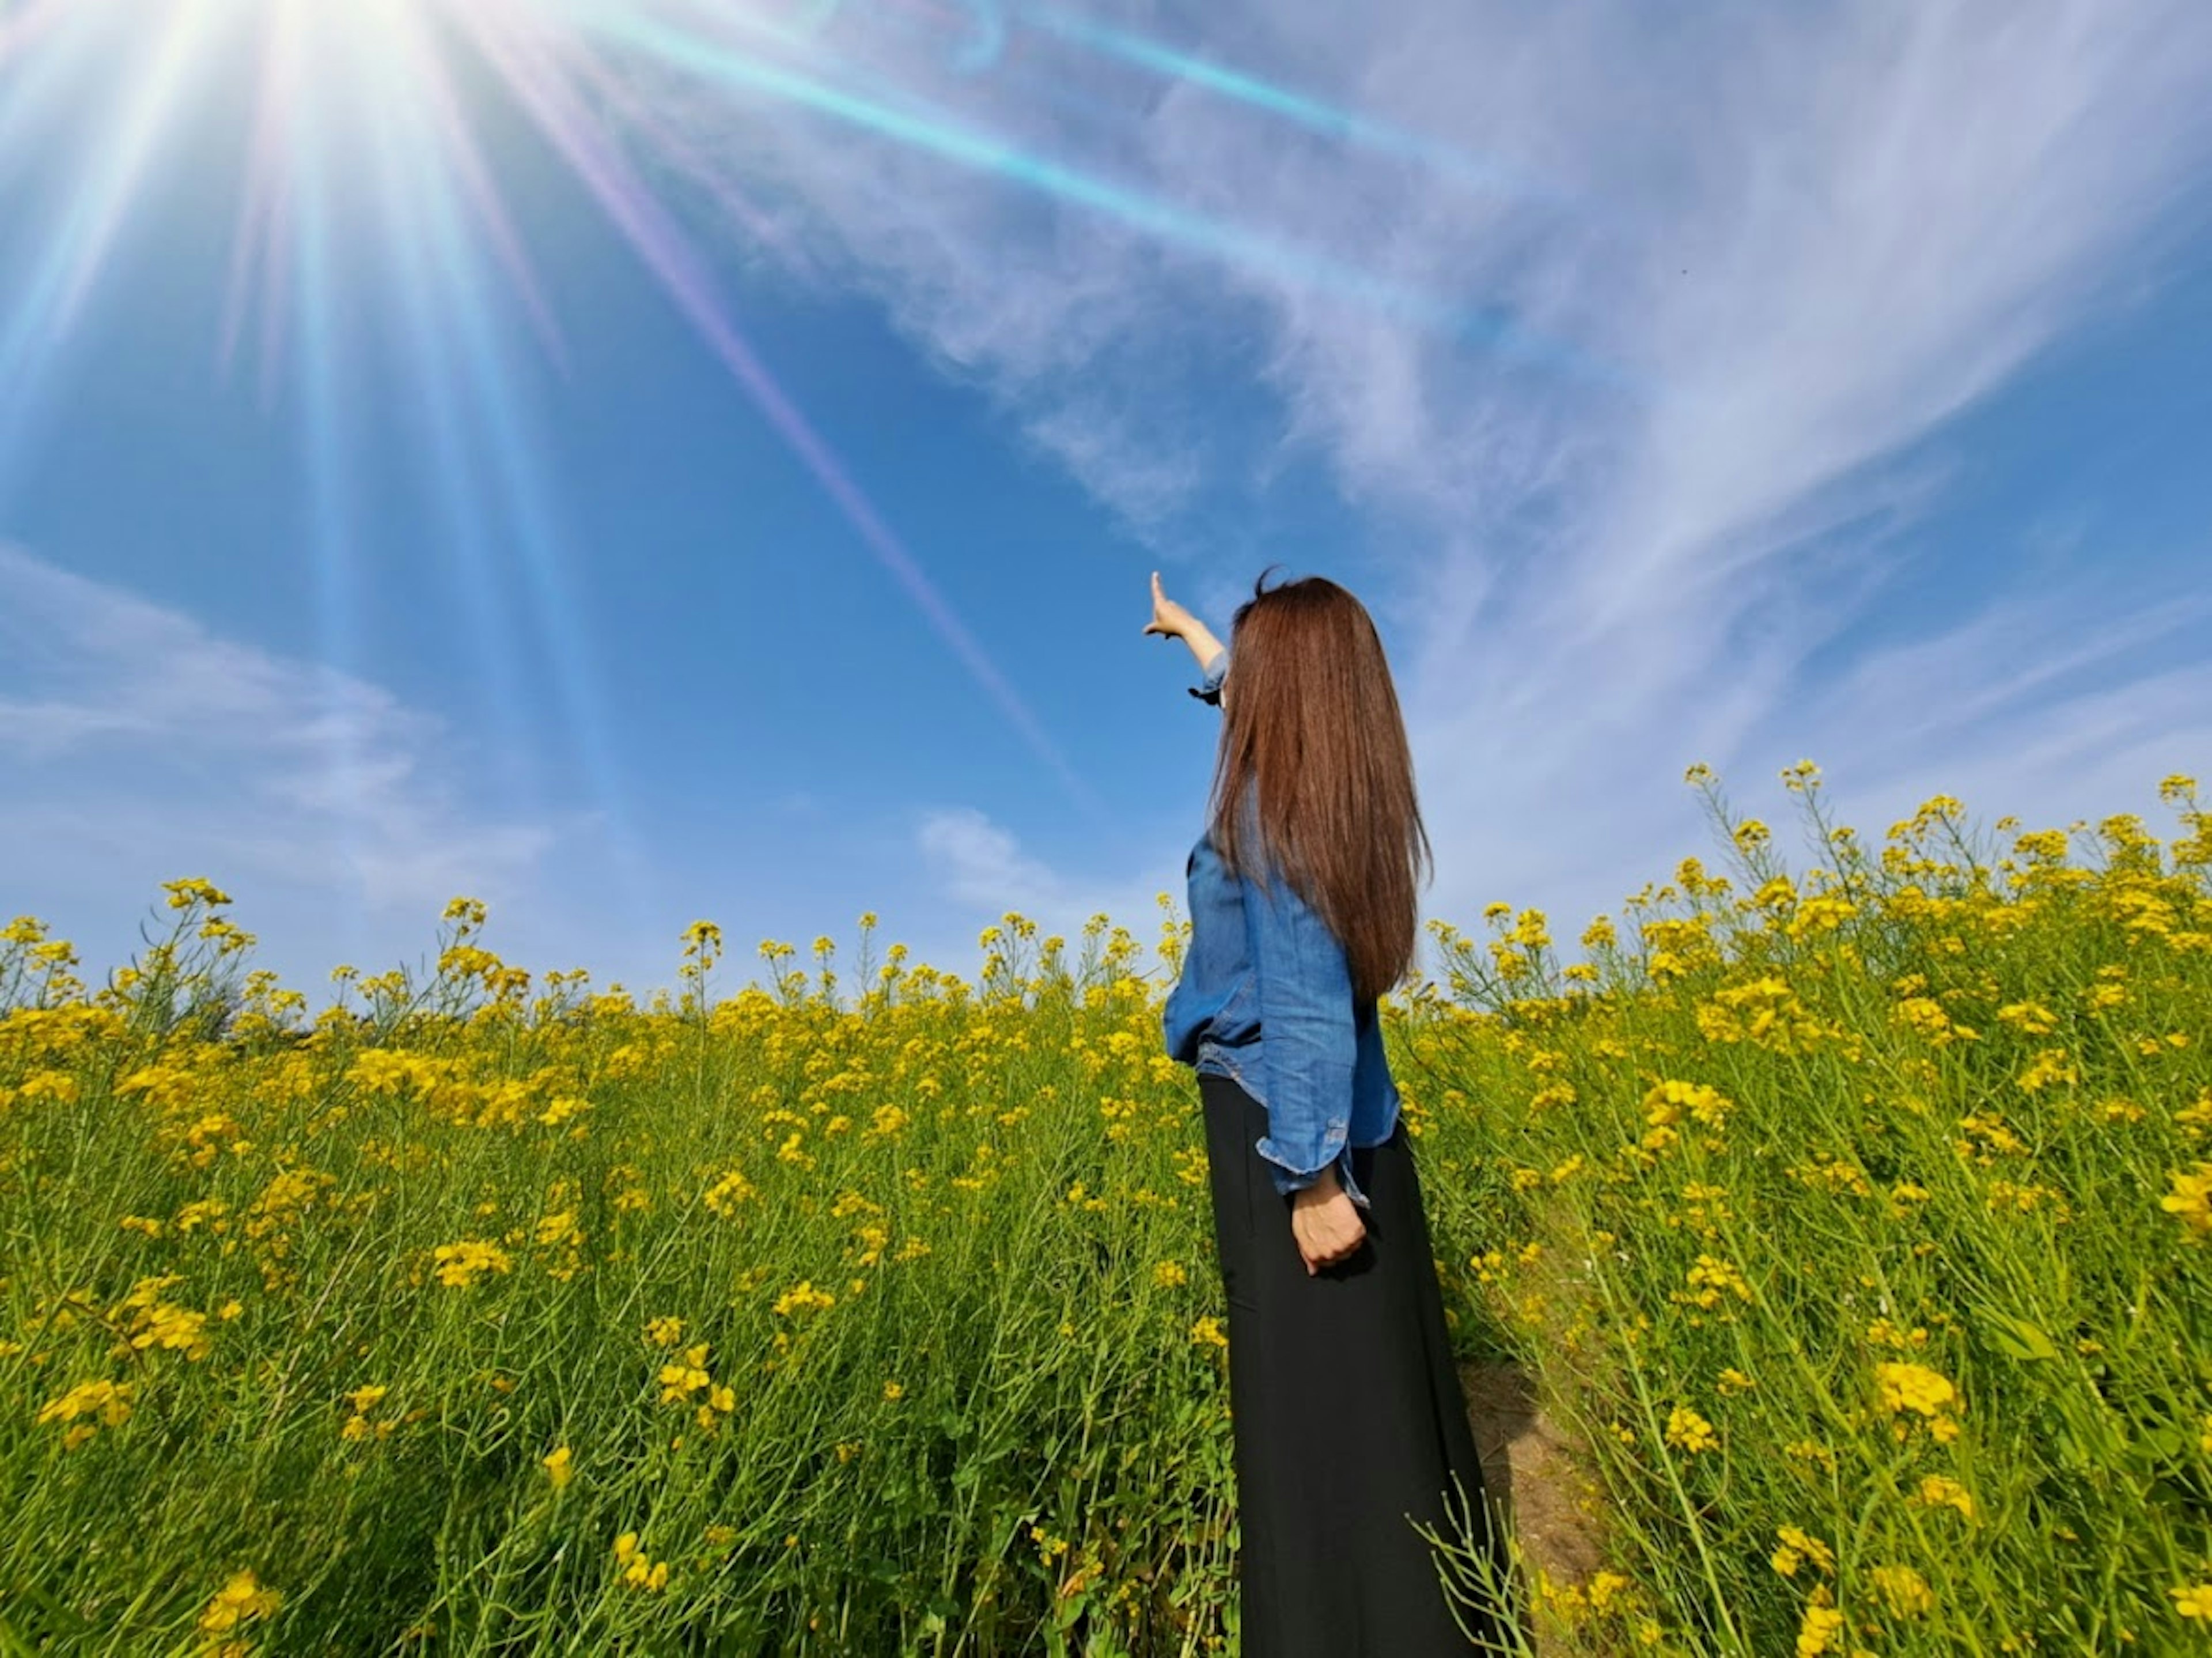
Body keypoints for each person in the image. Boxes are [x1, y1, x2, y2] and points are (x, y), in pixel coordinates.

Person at [1145, 567, 1519, 1656]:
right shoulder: (1329, 784)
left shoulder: (1271, 803)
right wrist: (1200, 643)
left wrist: (1309, 1181)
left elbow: (1303, 997)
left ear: (1291, 690)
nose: (1242, 688)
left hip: (1291, 1131)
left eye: (1254, 671)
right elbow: (1253, 697)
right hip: (1355, 1121)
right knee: (1387, 1403)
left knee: (1320, 1422)